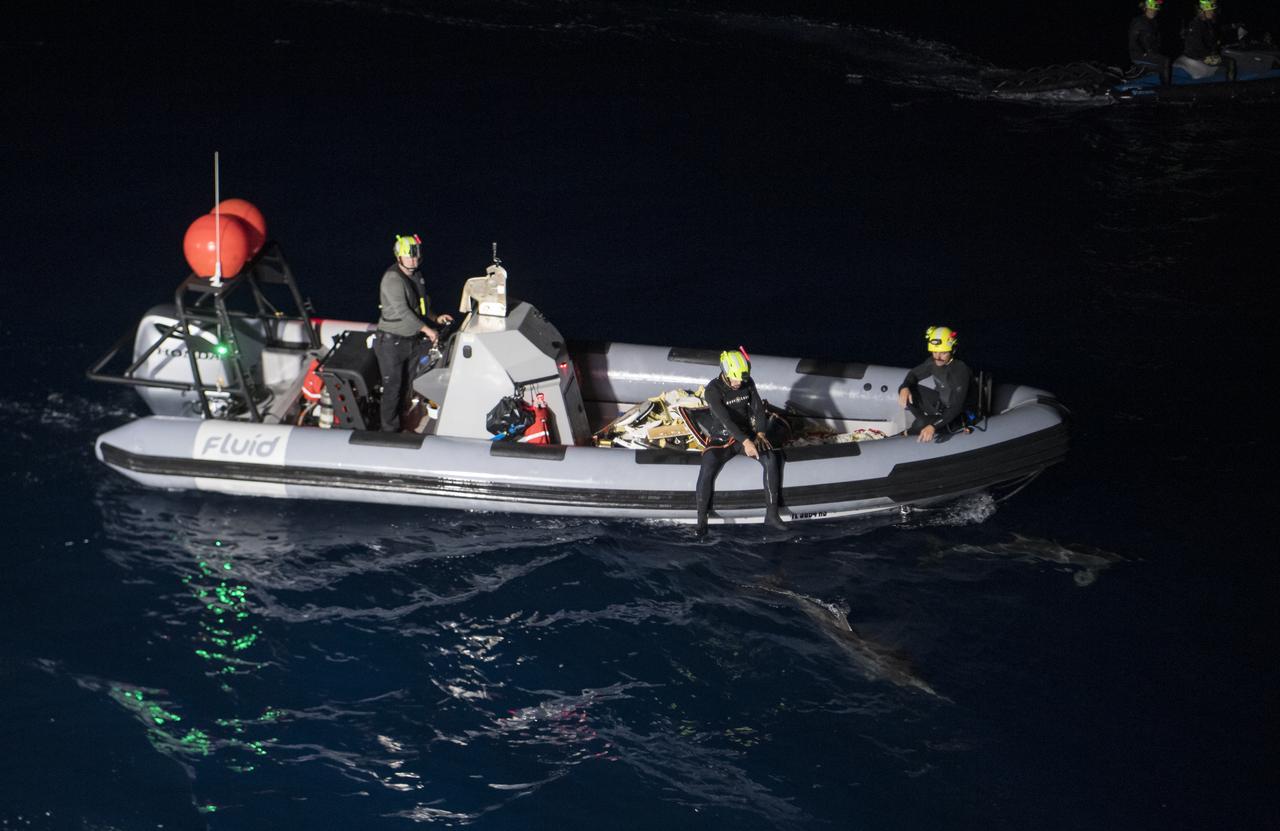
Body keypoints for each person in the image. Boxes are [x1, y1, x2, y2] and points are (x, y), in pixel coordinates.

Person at [695, 348, 786, 535]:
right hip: (721, 438)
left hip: (746, 434)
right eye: (735, 379)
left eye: (741, 379)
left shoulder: (746, 382)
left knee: (770, 458)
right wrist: (745, 441)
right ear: (725, 373)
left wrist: (760, 433)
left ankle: (771, 515)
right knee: (707, 466)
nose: (739, 383)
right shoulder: (712, 390)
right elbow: (725, 421)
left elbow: (758, 408)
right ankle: (701, 521)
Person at [374, 234, 453, 432]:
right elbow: (403, 311)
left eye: (416, 256)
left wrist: (435, 318)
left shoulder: (416, 275)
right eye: (409, 257)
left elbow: (422, 305)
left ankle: (404, 421)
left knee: (407, 385)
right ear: (399, 257)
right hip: (391, 344)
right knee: (393, 388)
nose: (414, 260)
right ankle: (388, 432)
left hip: (411, 341)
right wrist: (428, 330)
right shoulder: (393, 279)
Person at [897, 326, 973, 443]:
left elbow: (956, 407)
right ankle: (924, 420)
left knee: (920, 424)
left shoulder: (960, 370)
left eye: (943, 353)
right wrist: (905, 387)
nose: (937, 357)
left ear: (953, 350)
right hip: (941, 405)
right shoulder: (933, 362)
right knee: (904, 389)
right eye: (935, 352)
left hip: (957, 415)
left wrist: (932, 426)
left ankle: (911, 431)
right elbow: (914, 374)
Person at [1129, 0, 1171, 84]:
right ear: (1145, 9)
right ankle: (1166, 86)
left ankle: (1157, 82)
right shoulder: (1139, 21)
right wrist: (1143, 52)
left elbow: (1155, 41)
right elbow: (1133, 40)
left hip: (1151, 53)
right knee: (1165, 61)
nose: (1153, 12)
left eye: (1154, 10)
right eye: (1150, 10)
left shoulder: (1153, 22)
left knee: (1164, 58)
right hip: (1139, 54)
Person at [1182, 0, 1222, 66]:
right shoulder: (1196, 24)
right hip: (1196, 55)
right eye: (1209, 11)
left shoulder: (1208, 22)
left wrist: (1214, 49)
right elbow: (1195, 43)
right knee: (1230, 63)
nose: (1212, 12)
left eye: (1212, 10)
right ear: (1201, 12)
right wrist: (1206, 55)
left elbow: (1210, 39)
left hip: (1206, 53)